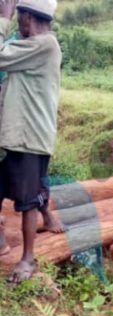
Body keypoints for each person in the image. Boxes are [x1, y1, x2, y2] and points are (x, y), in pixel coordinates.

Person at [0, 0, 62, 283]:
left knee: (26, 202)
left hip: (29, 139)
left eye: (19, 17)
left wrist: (2, 19)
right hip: (17, 137)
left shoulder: (44, 44)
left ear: (28, 19)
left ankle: (28, 259)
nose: (17, 23)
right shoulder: (35, 46)